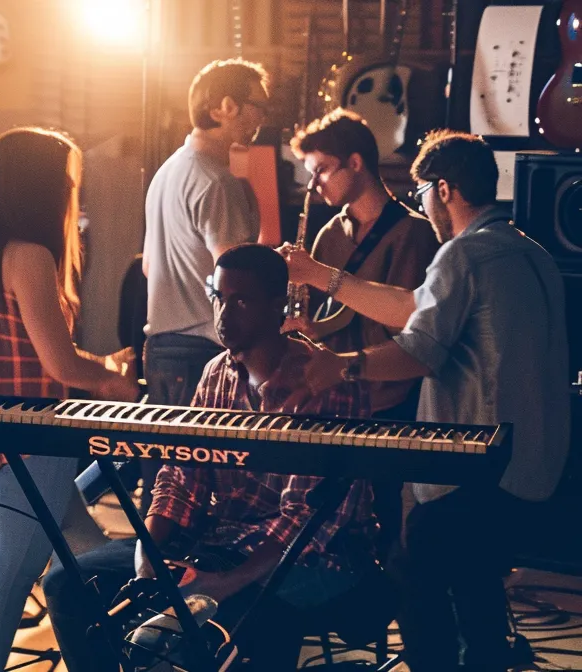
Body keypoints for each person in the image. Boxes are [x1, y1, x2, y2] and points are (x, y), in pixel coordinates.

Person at [285, 129, 570, 672]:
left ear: (444, 190)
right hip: (538, 465)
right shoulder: (527, 252)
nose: (422, 206)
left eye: (422, 195)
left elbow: (417, 350)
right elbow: (416, 306)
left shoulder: (462, 255)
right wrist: (323, 277)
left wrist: (343, 365)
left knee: (412, 569)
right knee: (475, 584)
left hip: (480, 467)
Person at [44, 244, 377, 671]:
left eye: (241, 300)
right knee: (67, 584)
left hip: (318, 557)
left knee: (228, 624)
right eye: (218, 297)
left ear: (279, 305)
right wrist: (148, 556)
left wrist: (221, 585)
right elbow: (183, 477)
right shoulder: (216, 373)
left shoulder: (327, 382)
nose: (224, 313)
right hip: (222, 542)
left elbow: (307, 518)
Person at [0, 127, 137, 671]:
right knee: (14, 569)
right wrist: (114, 379)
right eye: (67, 182)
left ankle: (108, 657)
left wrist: (103, 367)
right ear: (39, 186)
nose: (73, 194)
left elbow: (23, 349)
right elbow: (60, 365)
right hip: (33, 435)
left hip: (2, 429)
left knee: (86, 554)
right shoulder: (29, 256)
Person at [286, 108, 440, 421]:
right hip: (334, 398)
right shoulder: (330, 232)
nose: (314, 184)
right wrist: (307, 327)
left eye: (322, 170)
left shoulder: (414, 231)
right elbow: (325, 319)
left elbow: (407, 324)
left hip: (389, 402)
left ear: (355, 163)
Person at [143, 58, 272, 407]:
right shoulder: (217, 180)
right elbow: (236, 279)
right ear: (226, 108)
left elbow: (148, 268)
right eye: (258, 107)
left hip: (161, 350)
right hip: (203, 351)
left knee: (169, 460)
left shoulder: (167, 172)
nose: (262, 118)